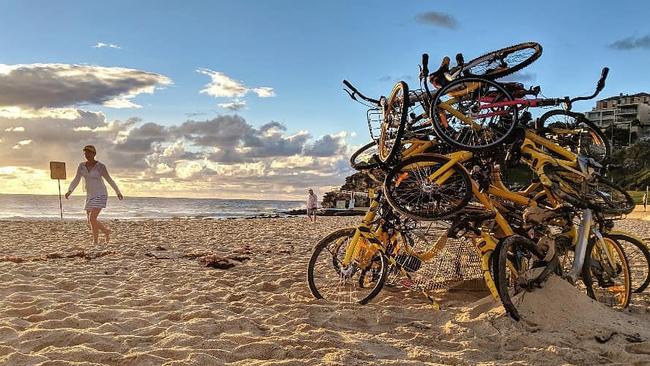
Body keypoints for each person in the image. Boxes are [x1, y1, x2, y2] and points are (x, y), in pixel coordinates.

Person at [65, 145, 123, 245]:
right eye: (85, 153)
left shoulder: (100, 166)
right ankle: (104, 233)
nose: (87, 155)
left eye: (89, 153)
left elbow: (109, 179)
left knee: (92, 218)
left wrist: (117, 192)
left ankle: (97, 239)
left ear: (94, 154)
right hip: (89, 195)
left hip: (101, 194)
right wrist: (70, 190)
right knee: (90, 220)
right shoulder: (81, 166)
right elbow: (76, 179)